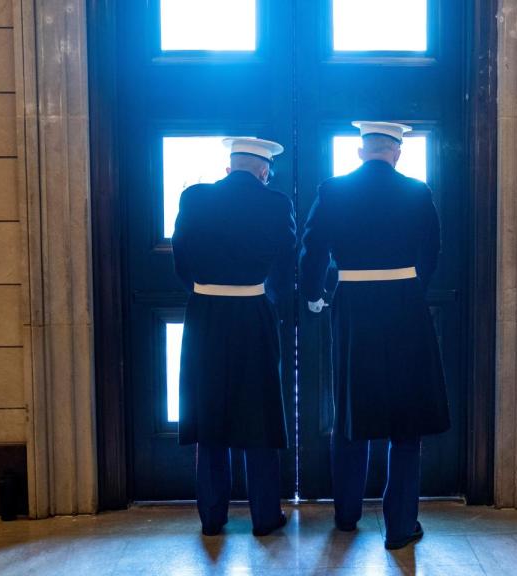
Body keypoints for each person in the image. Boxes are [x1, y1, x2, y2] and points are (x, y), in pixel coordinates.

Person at [300, 121, 450, 550]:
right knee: (406, 420)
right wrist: (409, 288)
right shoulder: (418, 191)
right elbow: (432, 252)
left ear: (362, 152)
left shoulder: (333, 190)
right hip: (404, 305)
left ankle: (346, 517)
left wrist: (315, 296)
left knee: (351, 413)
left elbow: (312, 252)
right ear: (397, 152)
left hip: (352, 307)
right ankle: (401, 526)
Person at [171, 137, 296, 537]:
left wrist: (205, 288)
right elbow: (286, 265)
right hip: (253, 312)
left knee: (209, 413)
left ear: (229, 167)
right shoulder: (276, 203)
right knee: (258, 413)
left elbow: (181, 258)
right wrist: (270, 296)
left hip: (206, 313)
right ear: (263, 171)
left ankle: (212, 516)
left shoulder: (194, 197)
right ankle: (264, 516)